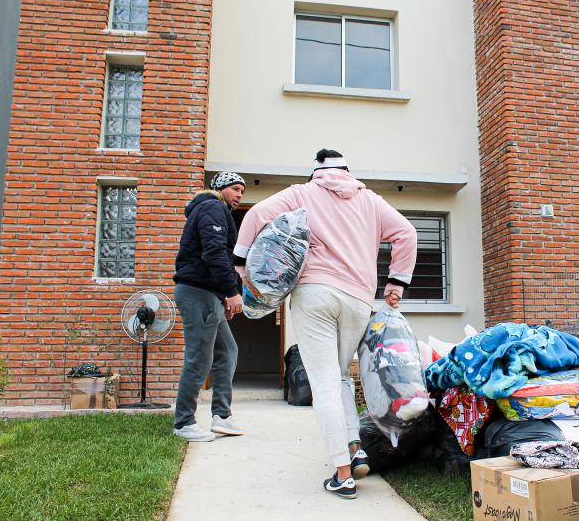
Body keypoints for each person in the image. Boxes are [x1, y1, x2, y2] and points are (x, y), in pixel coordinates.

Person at [234, 149, 417, 499]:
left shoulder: (301, 194)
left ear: (317, 172)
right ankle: (353, 447)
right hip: (359, 300)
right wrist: (396, 283)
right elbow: (406, 233)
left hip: (315, 294)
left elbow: (256, 214)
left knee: (325, 384)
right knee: (340, 377)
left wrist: (242, 262)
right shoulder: (371, 201)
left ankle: (342, 473)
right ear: (348, 171)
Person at [172, 172, 246, 442]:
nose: (239, 195)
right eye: (236, 189)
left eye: (242, 191)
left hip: (208, 293)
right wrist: (231, 291)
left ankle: (222, 417)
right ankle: (184, 422)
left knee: (226, 350)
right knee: (199, 357)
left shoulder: (215, 210)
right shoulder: (212, 206)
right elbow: (213, 252)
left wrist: (221, 294)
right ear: (221, 188)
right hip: (197, 292)